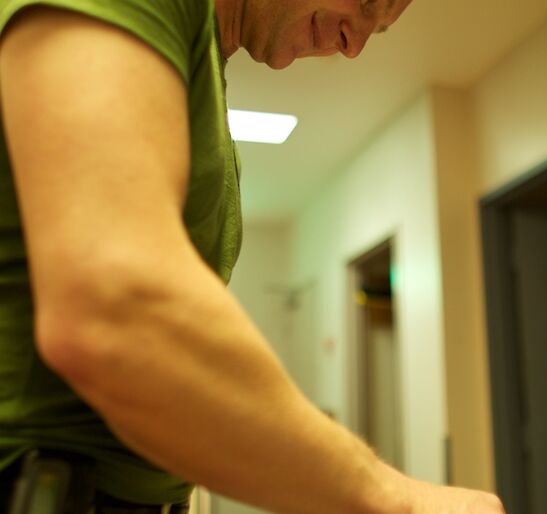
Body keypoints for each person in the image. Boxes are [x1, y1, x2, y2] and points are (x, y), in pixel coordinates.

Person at [0, 0, 507, 512]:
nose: (355, 47)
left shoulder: (211, 118)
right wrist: (399, 499)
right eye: (366, 4)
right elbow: (115, 312)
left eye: (379, 29)